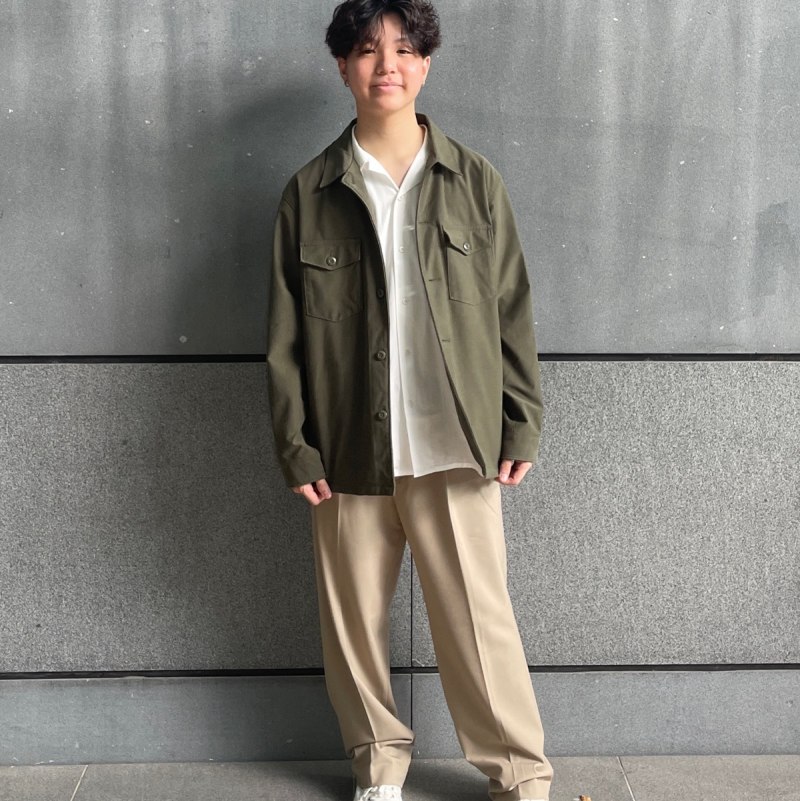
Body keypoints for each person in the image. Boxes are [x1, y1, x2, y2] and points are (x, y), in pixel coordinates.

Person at [267, 1, 553, 799]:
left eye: (402, 49)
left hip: (454, 443)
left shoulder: (474, 182)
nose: (385, 64)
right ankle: (378, 767)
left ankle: (520, 774)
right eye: (366, 50)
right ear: (343, 66)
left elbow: (511, 310)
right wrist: (296, 444)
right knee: (352, 626)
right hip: (347, 448)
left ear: (425, 63)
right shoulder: (310, 192)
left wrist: (521, 421)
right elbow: (284, 338)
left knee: (480, 624)